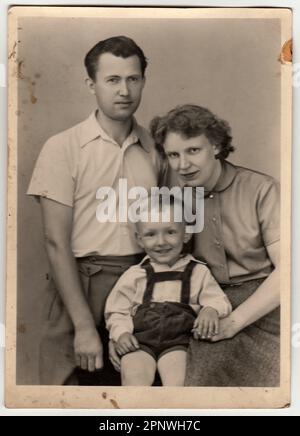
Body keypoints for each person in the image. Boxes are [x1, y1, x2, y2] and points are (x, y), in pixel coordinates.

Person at [27, 36, 163, 385]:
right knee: (69, 393)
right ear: (91, 84)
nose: (124, 91)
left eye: (133, 79)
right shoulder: (63, 147)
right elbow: (55, 242)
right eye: (112, 80)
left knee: (141, 397)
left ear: (143, 81)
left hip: (144, 286)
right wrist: (85, 326)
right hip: (81, 287)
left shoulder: (156, 150)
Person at [146, 104, 280, 386]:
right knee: (190, 379)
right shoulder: (174, 202)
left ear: (216, 146)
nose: (182, 165)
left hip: (266, 309)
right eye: (173, 155)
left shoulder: (261, 188)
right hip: (204, 305)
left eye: (193, 150)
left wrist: (234, 322)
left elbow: (292, 270)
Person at [105, 196, 232, 385]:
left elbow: (219, 300)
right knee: (134, 376)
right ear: (139, 239)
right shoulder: (135, 274)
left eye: (170, 232)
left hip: (178, 344)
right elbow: (117, 310)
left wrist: (210, 310)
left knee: (178, 381)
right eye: (150, 234)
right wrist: (121, 333)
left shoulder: (198, 272)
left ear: (186, 234)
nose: (161, 242)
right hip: (140, 343)